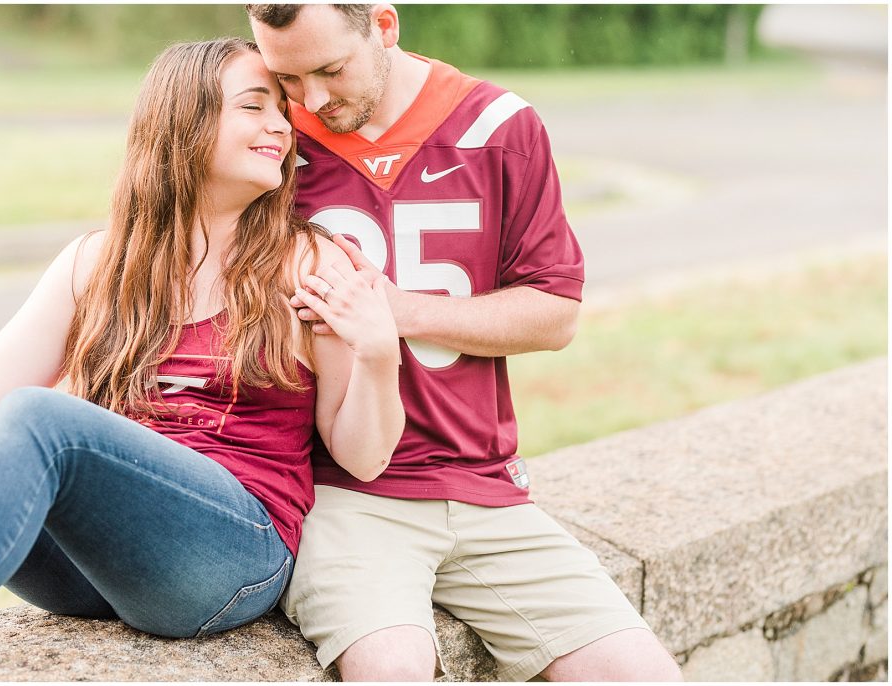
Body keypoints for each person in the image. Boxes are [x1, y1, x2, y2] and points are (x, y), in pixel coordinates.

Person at [0, 38, 404, 681]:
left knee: (43, 417)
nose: (280, 126)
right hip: (87, 566)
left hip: (226, 557)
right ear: (186, 120)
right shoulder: (97, 262)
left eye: (281, 111)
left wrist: (377, 354)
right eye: (254, 106)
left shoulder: (306, 262)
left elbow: (362, 455)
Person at [247, 5, 683, 682]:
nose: (313, 99)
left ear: (385, 26)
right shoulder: (271, 143)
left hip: (485, 489)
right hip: (343, 494)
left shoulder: (499, 127)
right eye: (289, 77)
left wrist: (399, 313)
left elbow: (554, 313)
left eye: (331, 70)